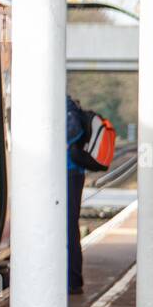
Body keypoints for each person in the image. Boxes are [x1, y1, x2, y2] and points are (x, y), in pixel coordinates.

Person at [66, 95, 87, 295]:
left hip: (68, 173)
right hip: (71, 173)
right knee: (69, 227)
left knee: (69, 227)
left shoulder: (66, 107)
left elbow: (70, 134)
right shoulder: (68, 106)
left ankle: (72, 280)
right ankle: (71, 279)